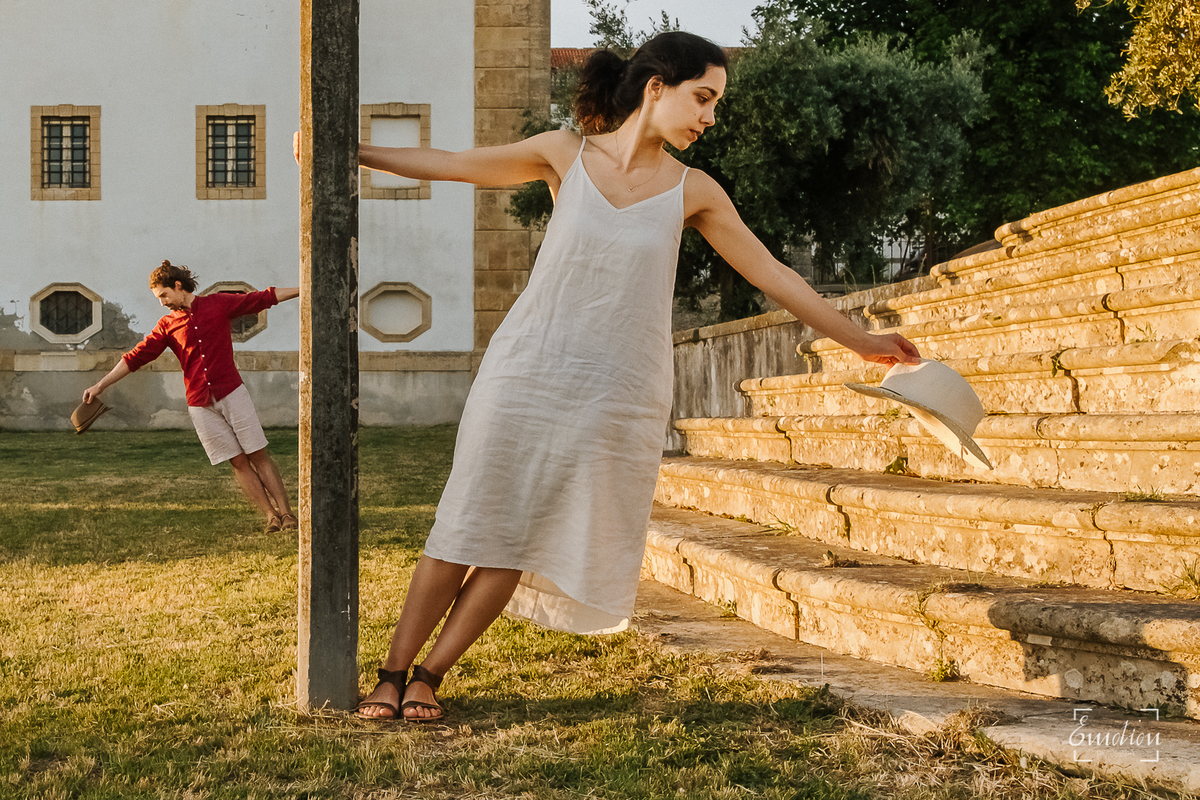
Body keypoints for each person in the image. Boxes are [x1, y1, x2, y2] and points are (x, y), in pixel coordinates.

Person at [346, 31, 921, 721]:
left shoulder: (694, 191)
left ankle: (430, 678)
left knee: (519, 538)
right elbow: (451, 163)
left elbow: (774, 274)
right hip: (527, 370)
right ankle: (390, 672)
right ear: (656, 87)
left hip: (614, 390)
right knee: (468, 523)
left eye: (715, 104)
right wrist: (344, 149)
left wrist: (860, 340)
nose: (710, 117)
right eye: (702, 98)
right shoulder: (566, 153)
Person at [83, 260, 301, 533]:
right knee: (237, 461)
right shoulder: (166, 325)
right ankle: (270, 516)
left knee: (257, 454)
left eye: (163, 295)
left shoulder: (217, 304)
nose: (161, 303)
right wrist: (100, 386)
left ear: (177, 286)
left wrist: (304, 289)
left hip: (231, 391)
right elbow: (136, 357)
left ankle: (287, 514)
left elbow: (263, 298)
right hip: (199, 403)